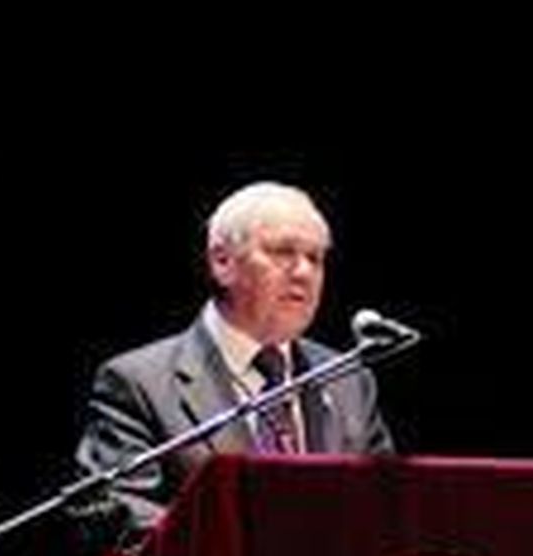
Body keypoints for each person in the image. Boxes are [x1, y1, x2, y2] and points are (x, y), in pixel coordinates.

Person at [75, 181, 393, 537]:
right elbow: (120, 510)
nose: (304, 272)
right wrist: (250, 551)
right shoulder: (138, 383)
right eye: (283, 252)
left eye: (315, 258)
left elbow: (388, 506)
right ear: (222, 261)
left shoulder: (349, 381)